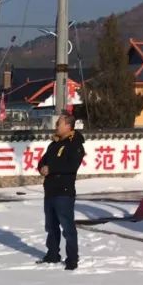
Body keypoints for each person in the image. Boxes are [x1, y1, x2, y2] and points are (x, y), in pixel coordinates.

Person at [36, 113, 86, 271]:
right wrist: (42, 168)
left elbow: (71, 166)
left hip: (64, 191)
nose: (56, 125)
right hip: (50, 190)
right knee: (51, 226)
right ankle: (52, 254)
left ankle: (72, 258)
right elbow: (43, 161)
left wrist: (51, 168)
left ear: (68, 126)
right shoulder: (54, 144)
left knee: (67, 227)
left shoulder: (75, 144)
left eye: (59, 123)